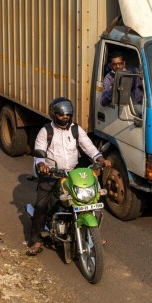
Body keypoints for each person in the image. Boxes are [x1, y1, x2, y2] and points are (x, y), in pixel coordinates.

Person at [26, 97, 110, 256]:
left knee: (88, 199)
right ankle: (36, 240)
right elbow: (39, 151)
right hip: (51, 174)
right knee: (41, 205)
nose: (65, 117)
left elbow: (89, 147)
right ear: (54, 114)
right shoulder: (46, 131)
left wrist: (99, 159)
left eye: (68, 114)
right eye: (61, 115)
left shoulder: (76, 129)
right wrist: (41, 165)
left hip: (72, 173)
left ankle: (93, 235)